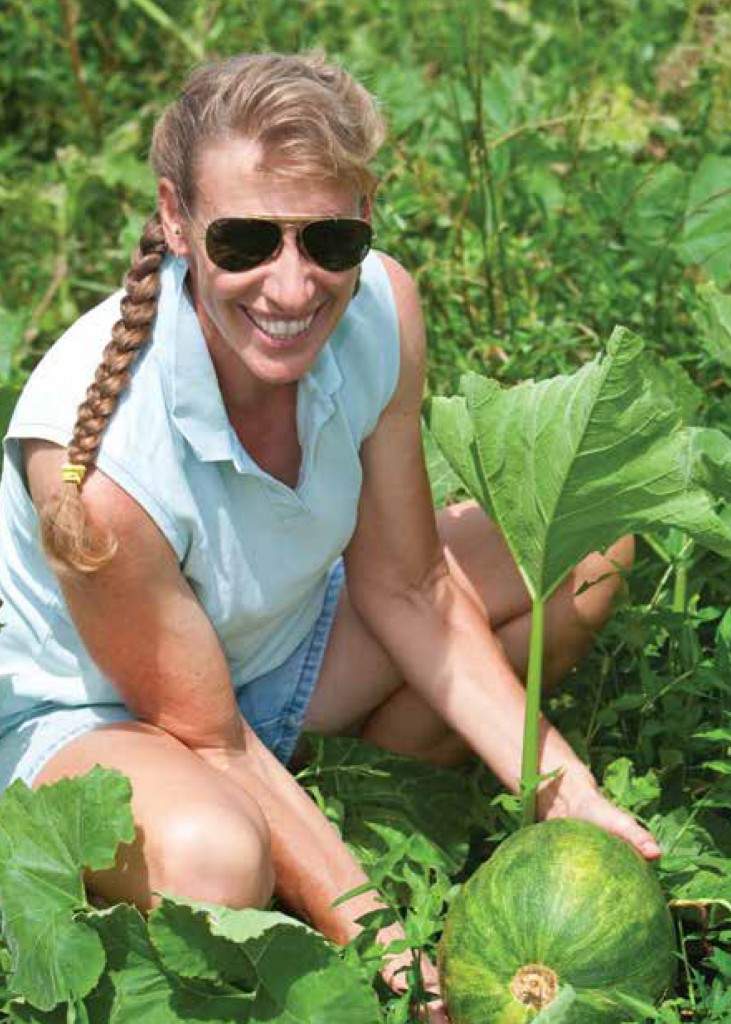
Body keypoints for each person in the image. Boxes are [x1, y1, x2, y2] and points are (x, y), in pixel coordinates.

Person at [0, 51, 659, 1021]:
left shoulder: (380, 309)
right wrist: (381, 940)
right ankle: (288, 839)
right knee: (217, 863)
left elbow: (408, 586)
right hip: (109, 716)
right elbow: (207, 732)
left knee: (589, 555)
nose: (290, 286)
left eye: (329, 240)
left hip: (283, 647)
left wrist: (565, 787)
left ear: (365, 216)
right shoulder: (92, 460)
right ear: (176, 220)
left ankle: (333, 799)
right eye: (245, 241)